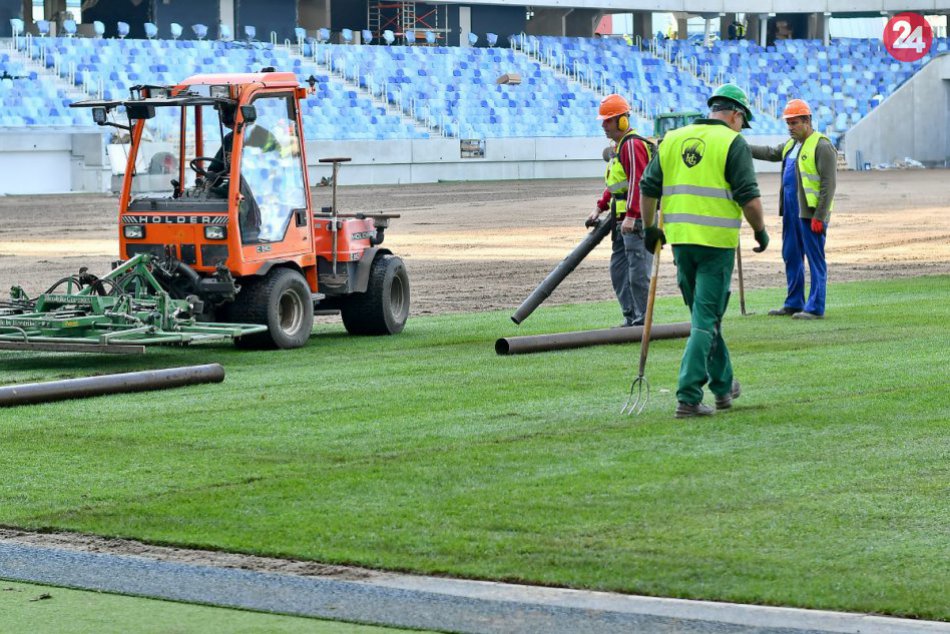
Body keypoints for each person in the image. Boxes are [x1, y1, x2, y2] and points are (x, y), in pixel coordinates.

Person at [639, 84, 770, 418]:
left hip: (681, 243)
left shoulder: (672, 138)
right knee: (705, 321)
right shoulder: (732, 142)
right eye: (743, 121)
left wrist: (650, 226)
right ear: (736, 115)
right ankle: (688, 395)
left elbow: (648, 187)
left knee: (703, 318)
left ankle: (724, 386)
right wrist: (760, 231)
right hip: (716, 245)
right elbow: (750, 199)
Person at [748, 98, 836, 319]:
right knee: (791, 254)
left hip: (810, 213)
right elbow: (769, 152)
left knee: (815, 258)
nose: (790, 127)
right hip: (790, 211)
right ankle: (795, 302)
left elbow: (829, 183)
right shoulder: (791, 145)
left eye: (794, 122)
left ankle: (815, 307)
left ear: (807, 121)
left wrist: (820, 215)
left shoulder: (822, 145)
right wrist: (742, 147)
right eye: (788, 123)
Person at [587, 94, 654, 328]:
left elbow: (638, 182)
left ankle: (642, 321)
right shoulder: (620, 147)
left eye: (608, 120)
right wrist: (599, 207)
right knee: (618, 271)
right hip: (620, 221)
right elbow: (617, 185)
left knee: (638, 273)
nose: (603, 125)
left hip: (634, 222)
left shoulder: (633, 144)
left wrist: (633, 216)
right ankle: (631, 317)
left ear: (622, 121)